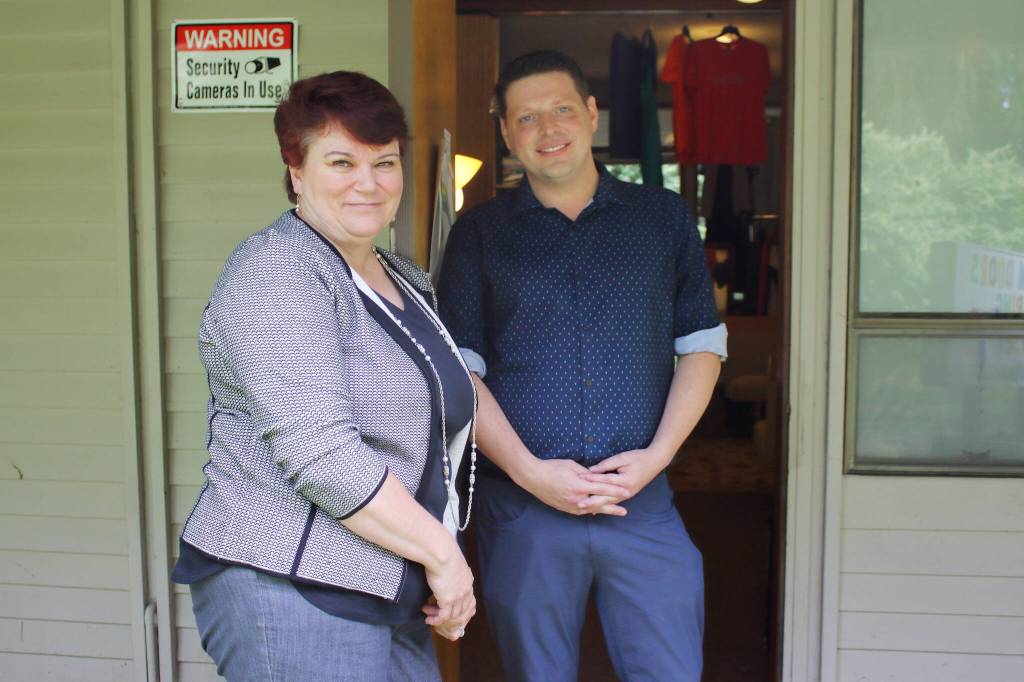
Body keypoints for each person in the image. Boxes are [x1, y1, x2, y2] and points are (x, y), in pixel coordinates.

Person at [171, 70, 478, 682]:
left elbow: (445, 394)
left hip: (381, 581)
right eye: (342, 161)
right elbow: (321, 451)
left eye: (384, 162)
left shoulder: (399, 276)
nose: (368, 183)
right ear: (296, 168)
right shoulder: (276, 274)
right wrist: (444, 556)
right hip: (290, 585)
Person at [437, 50, 727, 682]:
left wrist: (658, 458)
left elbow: (702, 345)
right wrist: (530, 473)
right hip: (524, 509)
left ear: (592, 114)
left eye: (562, 109)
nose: (549, 129)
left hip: (641, 504)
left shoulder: (663, 217)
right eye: (528, 117)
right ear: (508, 133)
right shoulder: (480, 233)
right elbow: (459, 375)